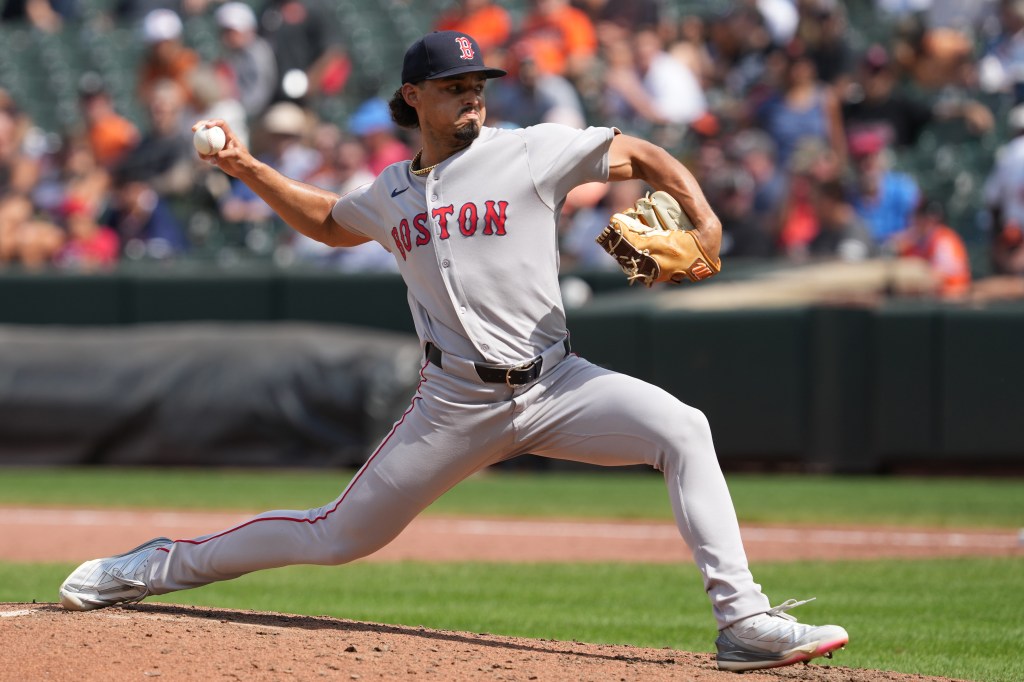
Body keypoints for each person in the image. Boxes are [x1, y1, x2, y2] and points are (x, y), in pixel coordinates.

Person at [57, 30, 849, 673]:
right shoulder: (390, 191)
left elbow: (637, 153)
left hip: (558, 383)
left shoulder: (528, 150)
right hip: (453, 404)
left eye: (479, 86)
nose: (473, 96)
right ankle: (153, 566)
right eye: (454, 87)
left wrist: (702, 216)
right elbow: (329, 220)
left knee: (684, 428)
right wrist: (246, 167)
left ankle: (743, 621)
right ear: (413, 97)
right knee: (335, 537)